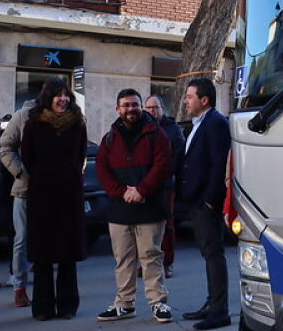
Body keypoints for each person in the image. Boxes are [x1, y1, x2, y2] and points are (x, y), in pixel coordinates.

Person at [96, 89, 173, 324]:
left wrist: (141, 190)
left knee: (151, 257)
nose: (131, 109)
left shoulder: (157, 135)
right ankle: (125, 304)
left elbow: (163, 166)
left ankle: (158, 303)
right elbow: (102, 170)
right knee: (123, 260)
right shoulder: (109, 139)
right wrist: (122, 192)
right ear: (117, 109)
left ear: (141, 107)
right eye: (126, 105)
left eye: (134, 104)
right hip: (120, 210)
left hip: (150, 208)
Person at [21, 78, 88, 321]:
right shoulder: (34, 123)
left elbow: (81, 154)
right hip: (42, 195)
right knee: (43, 254)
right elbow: (27, 156)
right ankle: (43, 307)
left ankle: (68, 306)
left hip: (69, 195)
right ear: (48, 98)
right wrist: (44, 176)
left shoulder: (77, 123)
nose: (63, 99)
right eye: (58, 95)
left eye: (66, 95)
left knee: (67, 253)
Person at [180, 78, 232, 330]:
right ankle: (212, 304)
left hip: (206, 202)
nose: (186, 101)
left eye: (190, 96)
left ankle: (219, 311)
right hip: (196, 200)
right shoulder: (200, 123)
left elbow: (218, 164)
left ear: (204, 100)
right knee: (208, 253)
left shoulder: (216, 123)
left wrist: (211, 200)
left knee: (213, 254)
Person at [0, 99, 35, 308]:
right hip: (25, 189)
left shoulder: (63, 116)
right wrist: (22, 173)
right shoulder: (23, 115)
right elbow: (5, 148)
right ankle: (19, 286)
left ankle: (46, 290)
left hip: (53, 190)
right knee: (21, 238)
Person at [144, 95, 185, 279]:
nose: (152, 111)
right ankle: (147, 263)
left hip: (165, 184)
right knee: (145, 226)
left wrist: (164, 174)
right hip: (145, 185)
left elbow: (178, 157)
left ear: (162, 109)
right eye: (149, 108)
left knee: (166, 224)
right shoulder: (142, 126)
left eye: (155, 107)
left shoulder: (172, 129)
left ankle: (167, 263)